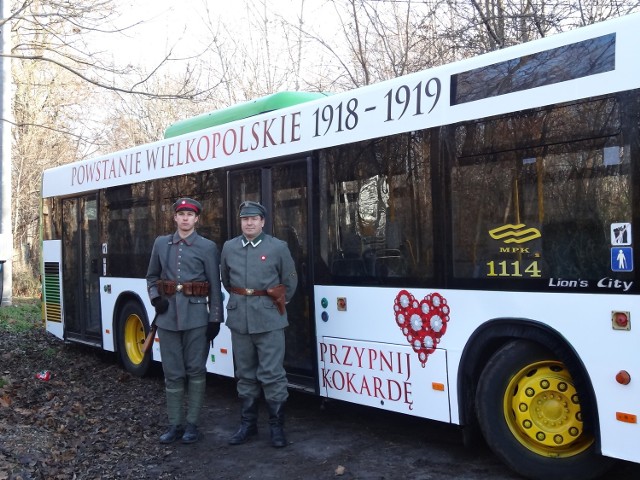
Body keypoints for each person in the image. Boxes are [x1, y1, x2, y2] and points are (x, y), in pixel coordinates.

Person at [220, 200, 298, 448]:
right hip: (239, 321)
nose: (249, 223)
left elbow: (290, 282)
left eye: (254, 219)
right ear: (240, 222)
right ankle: (248, 425)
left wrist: (271, 306)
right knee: (244, 374)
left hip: (269, 320)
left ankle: (277, 427)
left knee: (273, 374)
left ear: (263, 221)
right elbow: (226, 280)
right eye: (245, 219)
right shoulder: (229, 248)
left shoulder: (278, 247)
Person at [146, 197, 223, 444]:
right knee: (172, 373)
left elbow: (214, 285)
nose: (186, 218)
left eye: (190, 215)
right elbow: (151, 277)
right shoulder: (161, 244)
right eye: (181, 214)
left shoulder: (207, 247)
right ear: (175, 218)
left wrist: (215, 319)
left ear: (197, 218)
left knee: (196, 371)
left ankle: (192, 424)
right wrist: (156, 298)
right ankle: (175, 424)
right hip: (168, 319)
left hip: (197, 318)